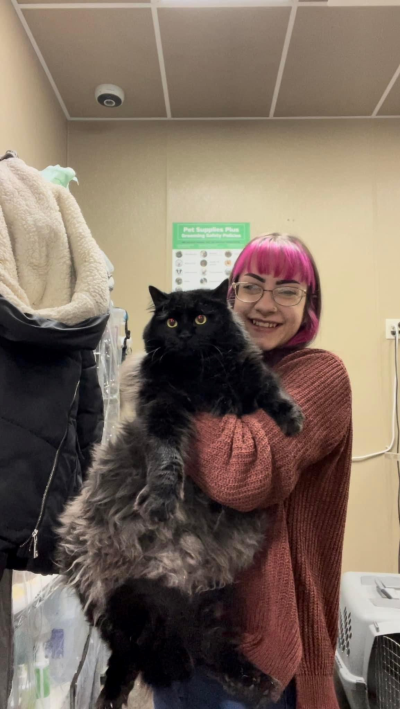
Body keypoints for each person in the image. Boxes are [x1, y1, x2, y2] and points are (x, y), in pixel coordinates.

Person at [152, 233, 352, 709]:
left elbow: (241, 474)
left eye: (287, 290)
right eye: (252, 286)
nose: (265, 304)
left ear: (309, 304)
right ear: (231, 295)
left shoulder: (319, 375)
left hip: (258, 656)